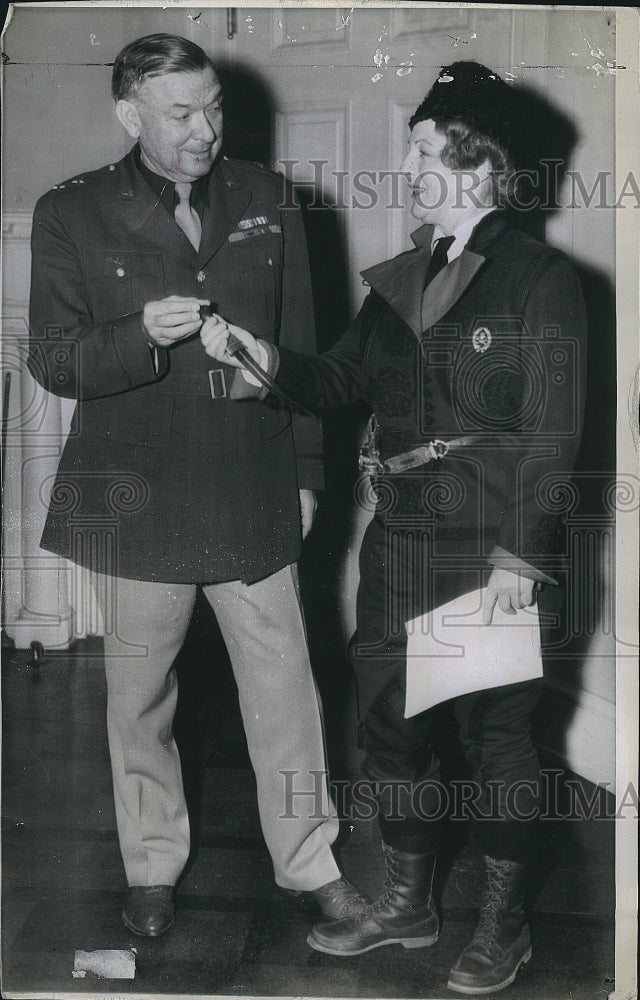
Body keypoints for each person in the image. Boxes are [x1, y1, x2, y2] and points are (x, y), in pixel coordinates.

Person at [201, 61, 587, 994]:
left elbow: (553, 432)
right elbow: (338, 382)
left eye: (421, 149)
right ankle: (408, 905)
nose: (406, 164)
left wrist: (519, 561)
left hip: (487, 545)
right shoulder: (404, 276)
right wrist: (262, 355)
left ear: (477, 165)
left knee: (496, 742)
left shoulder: (542, 279)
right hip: (400, 539)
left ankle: (504, 926)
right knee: (393, 728)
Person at [28, 33, 367, 938]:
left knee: (287, 690)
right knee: (138, 699)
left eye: (214, 107)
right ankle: (151, 863)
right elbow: (56, 361)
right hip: (133, 496)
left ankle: (310, 863)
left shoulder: (271, 198)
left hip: (252, 487)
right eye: (181, 114)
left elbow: (307, 355)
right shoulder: (72, 212)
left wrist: (305, 475)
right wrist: (139, 331)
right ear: (129, 115)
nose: (205, 130)